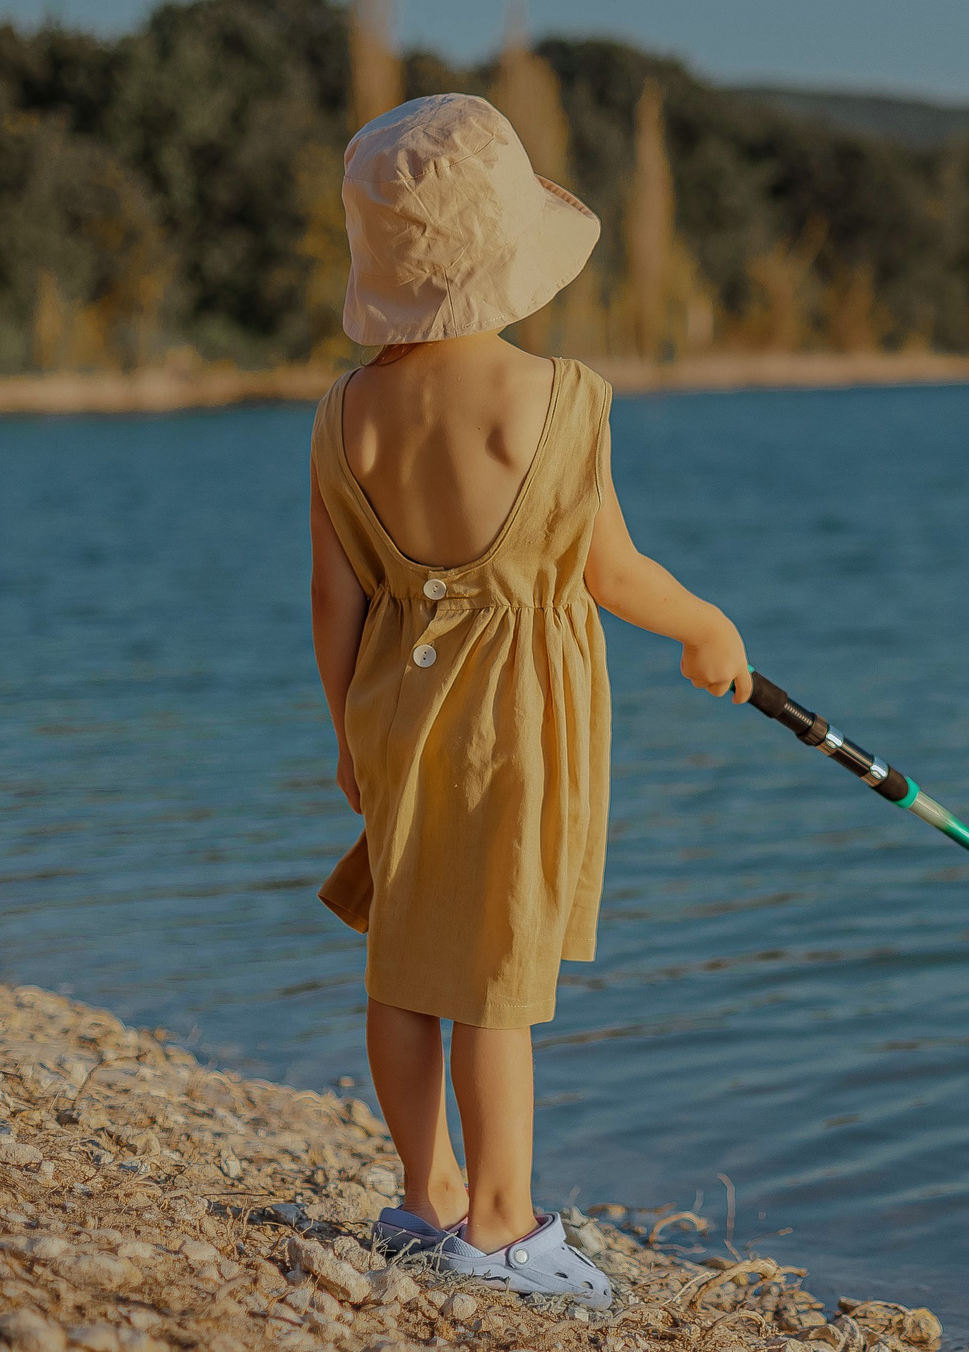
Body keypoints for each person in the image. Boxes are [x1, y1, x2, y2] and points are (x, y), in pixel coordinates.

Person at [306, 93, 753, 1299]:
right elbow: (611, 572)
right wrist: (706, 626)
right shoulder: (559, 400)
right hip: (515, 725)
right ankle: (502, 1227)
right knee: (495, 975)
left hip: (393, 712)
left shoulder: (345, 416)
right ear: (505, 256)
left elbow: (334, 604)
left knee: (404, 961)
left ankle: (425, 1194)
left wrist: (348, 736)